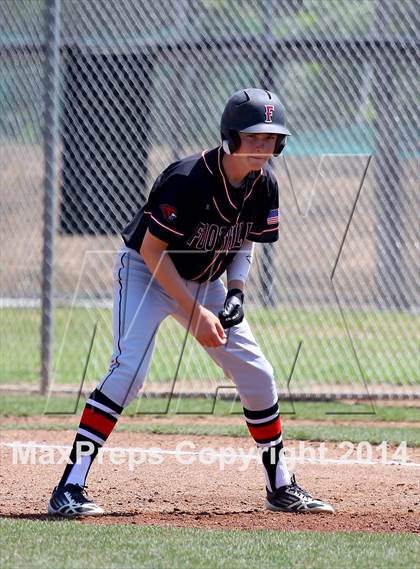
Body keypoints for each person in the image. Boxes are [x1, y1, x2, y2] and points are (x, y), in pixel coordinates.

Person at [48, 88, 334, 517]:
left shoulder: (265, 184)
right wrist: (194, 311)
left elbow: (245, 242)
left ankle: (280, 486)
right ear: (231, 137)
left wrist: (235, 292)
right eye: (254, 137)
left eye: (271, 138)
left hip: (206, 280)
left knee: (258, 374)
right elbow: (151, 250)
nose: (263, 147)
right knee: (129, 371)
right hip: (148, 272)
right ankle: (68, 488)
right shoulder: (187, 179)